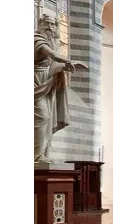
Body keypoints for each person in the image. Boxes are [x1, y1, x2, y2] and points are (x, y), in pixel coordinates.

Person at [34, 14, 75, 163]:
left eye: (53, 24)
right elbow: (52, 55)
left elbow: (53, 61)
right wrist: (67, 60)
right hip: (36, 82)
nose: (50, 27)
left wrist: (63, 67)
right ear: (40, 25)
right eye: (47, 23)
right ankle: (35, 155)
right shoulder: (37, 39)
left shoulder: (51, 43)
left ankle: (40, 153)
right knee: (42, 117)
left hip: (47, 82)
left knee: (47, 119)